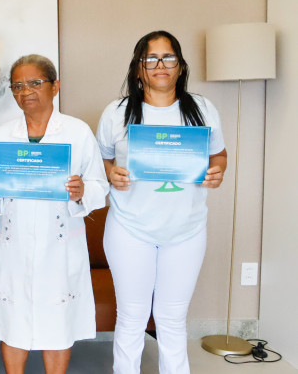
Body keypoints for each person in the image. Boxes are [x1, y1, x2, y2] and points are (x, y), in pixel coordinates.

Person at [96, 31, 227, 374]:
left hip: (187, 230)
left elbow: (219, 155)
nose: (160, 65)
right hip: (129, 228)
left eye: (168, 57)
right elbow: (101, 160)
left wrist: (217, 171)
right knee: (132, 317)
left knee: (172, 319)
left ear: (180, 66)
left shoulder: (202, 109)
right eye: (150, 58)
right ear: (138, 68)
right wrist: (111, 173)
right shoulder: (117, 113)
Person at [0, 54, 108, 374]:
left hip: (59, 243)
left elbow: (100, 187)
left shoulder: (77, 132)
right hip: (13, 242)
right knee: (12, 321)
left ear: (55, 86)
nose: (26, 91)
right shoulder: (2, 136)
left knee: (58, 323)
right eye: (17, 86)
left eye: (35, 83)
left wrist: (81, 191)